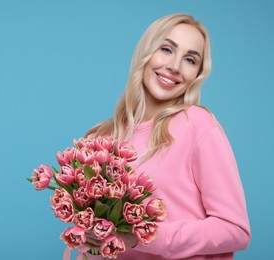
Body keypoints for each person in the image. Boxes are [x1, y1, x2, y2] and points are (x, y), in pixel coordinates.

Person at [80, 13, 251, 260]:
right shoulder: (101, 137)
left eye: (190, 60)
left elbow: (235, 230)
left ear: (197, 74)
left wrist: (142, 236)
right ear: (146, 52)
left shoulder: (197, 124)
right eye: (166, 49)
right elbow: (90, 243)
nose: (174, 66)